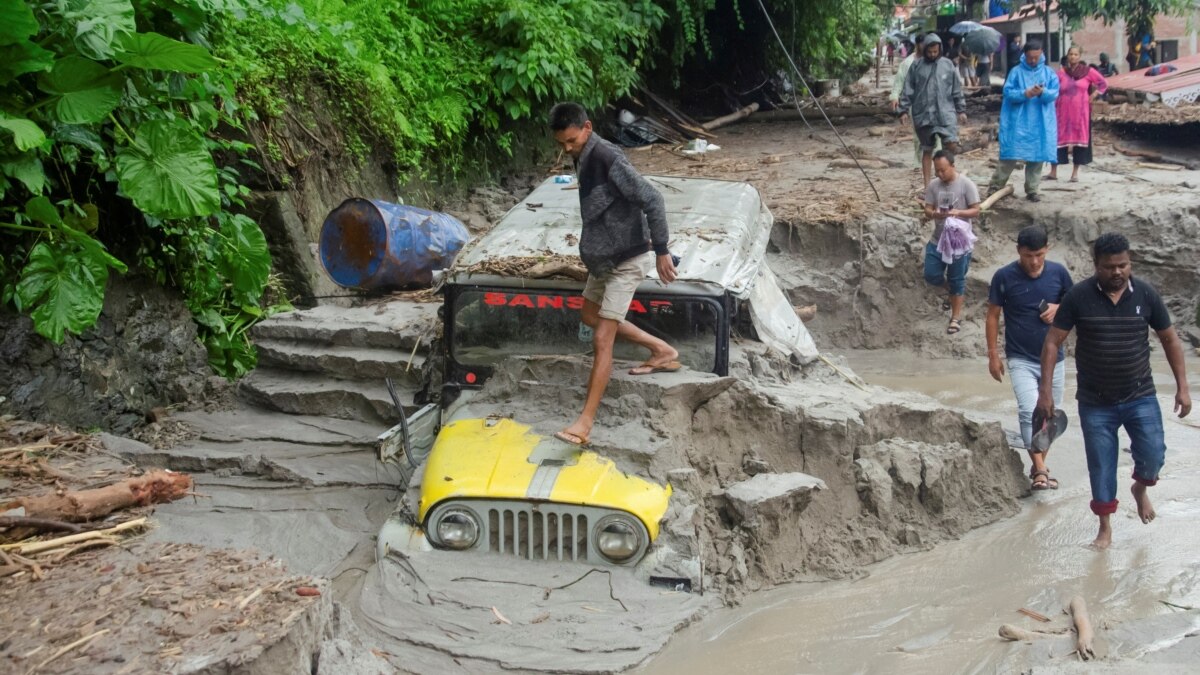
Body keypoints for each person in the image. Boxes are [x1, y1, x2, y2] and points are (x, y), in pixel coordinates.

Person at [1036, 233, 1192, 549]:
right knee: (1102, 464)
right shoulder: (1078, 297)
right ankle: (1105, 529)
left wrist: (1183, 389)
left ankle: (1140, 488)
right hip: (1095, 401)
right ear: (1096, 266)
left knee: (1152, 454)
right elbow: (1053, 341)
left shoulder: (1145, 294)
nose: (1117, 272)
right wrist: (1046, 393)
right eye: (1110, 267)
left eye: (1123, 265)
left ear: (1129, 263)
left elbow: (1170, 339)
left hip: (1140, 394)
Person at [547, 102, 681, 446]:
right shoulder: (582, 154)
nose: (567, 149)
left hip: (628, 257)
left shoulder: (608, 157)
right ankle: (662, 350)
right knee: (590, 314)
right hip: (604, 259)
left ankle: (584, 423)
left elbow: (653, 199)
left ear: (588, 128)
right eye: (562, 143)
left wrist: (662, 250)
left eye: (572, 141)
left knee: (602, 338)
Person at [986, 226, 1073, 489]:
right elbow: (992, 315)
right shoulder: (1004, 276)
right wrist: (993, 355)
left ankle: (1039, 469)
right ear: (1018, 252)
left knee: (1049, 416)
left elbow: (1076, 305)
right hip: (1020, 357)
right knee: (1028, 411)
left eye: (1038, 254)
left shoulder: (1059, 273)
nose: (1034, 261)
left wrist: (1059, 308)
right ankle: (1041, 469)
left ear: (1047, 249)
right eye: (1027, 256)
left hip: (1054, 358)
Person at [988, 40, 1059, 203]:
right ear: (1024, 55)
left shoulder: (1049, 73)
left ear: (1041, 53)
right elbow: (1008, 92)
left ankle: (1032, 189)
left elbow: (1054, 93)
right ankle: (996, 185)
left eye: (1036, 57)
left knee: (1037, 156)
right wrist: (1025, 93)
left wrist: (1042, 92)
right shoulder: (1016, 72)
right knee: (1010, 155)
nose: (1033, 60)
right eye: (1029, 57)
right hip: (1018, 122)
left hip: (1040, 123)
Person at [921, 150, 981, 335]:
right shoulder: (933, 186)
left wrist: (959, 213)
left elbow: (976, 210)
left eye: (943, 170)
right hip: (938, 239)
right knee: (931, 274)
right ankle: (951, 291)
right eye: (937, 171)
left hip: (958, 242)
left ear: (953, 166)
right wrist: (934, 214)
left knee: (957, 279)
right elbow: (927, 209)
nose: (940, 174)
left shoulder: (966, 185)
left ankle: (955, 317)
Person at [899, 33, 967, 190]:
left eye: (935, 51)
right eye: (930, 52)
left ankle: (949, 179)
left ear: (940, 49)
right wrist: (902, 110)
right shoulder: (916, 66)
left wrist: (961, 109)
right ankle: (928, 186)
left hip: (946, 113)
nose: (932, 55)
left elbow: (957, 89)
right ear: (924, 49)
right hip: (923, 113)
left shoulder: (948, 65)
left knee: (950, 144)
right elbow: (908, 89)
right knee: (927, 149)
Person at [1048, 46, 1107, 183]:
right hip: (1062, 113)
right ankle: (1053, 172)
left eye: (1075, 54)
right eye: (1071, 54)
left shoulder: (1088, 72)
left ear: (1080, 57)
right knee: (1057, 141)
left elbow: (1103, 83)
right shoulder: (1061, 73)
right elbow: (1052, 89)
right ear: (1067, 56)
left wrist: (1094, 94)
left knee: (1079, 143)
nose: (1073, 57)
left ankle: (1074, 173)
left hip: (1081, 113)